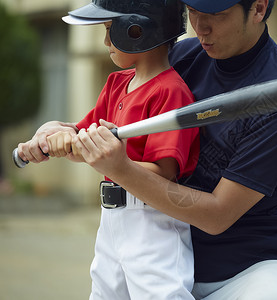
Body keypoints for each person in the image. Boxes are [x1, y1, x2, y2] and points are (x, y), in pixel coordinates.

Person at [17, 0, 277, 299]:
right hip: (167, 255)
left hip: (256, 269)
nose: (201, 27)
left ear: (258, 8)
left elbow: (217, 215)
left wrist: (120, 168)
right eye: (193, 11)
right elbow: (116, 122)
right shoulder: (182, 56)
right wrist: (63, 132)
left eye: (216, 14)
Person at [19, 1, 199, 299]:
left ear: (136, 29)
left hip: (152, 220)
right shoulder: (117, 83)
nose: (105, 42)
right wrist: (54, 140)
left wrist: (115, 163)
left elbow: (165, 172)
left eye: (108, 30)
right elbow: (87, 143)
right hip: (113, 219)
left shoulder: (170, 91)